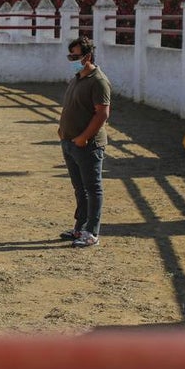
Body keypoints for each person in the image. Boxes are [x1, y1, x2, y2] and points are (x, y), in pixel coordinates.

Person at [57, 35, 112, 248]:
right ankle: (80, 227)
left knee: (92, 188)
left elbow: (102, 114)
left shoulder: (98, 81)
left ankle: (92, 232)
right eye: (70, 55)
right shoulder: (78, 77)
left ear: (87, 56)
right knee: (79, 188)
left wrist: (83, 137)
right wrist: (63, 131)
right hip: (70, 142)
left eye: (75, 56)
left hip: (87, 145)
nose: (72, 59)